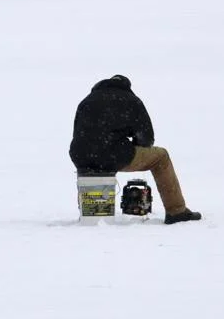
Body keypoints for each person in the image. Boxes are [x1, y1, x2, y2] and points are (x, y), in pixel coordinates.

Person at [69, 75, 201, 224]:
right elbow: (147, 138)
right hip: (114, 155)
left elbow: (79, 133)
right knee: (161, 157)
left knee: (97, 158)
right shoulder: (131, 101)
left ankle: (90, 211)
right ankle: (177, 211)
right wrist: (132, 141)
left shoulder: (87, 101)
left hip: (81, 156)